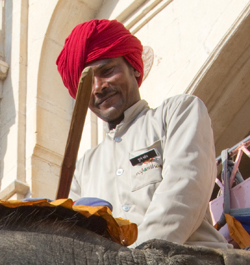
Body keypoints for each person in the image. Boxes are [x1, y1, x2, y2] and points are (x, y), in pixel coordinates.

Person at [56, 19, 229, 249]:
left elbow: (184, 190)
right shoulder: (83, 169)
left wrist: (135, 263)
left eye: (107, 71)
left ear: (134, 67)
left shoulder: (178, 112)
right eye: (87, 84)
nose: (98, 87)